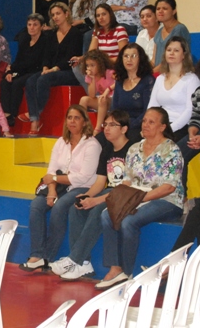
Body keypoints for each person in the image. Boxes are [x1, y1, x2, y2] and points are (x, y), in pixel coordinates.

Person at [97, 107, 184, 290]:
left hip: (167, 201)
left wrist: (139, 199)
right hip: (137, 197)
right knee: (107, 214)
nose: (145, 125)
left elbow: (169, 187)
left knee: (129, 221)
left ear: (162, 127)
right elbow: (127, 181)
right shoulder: (134, 148)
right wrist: (121, 198)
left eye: (151, 122)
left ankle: (128, 273)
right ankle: (115, 269)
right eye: (144, 121)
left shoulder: (172, 150)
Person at [53, 110, 134, 280]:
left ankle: (74, 258)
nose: (107, 129)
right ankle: (84, 264)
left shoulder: (132, 150)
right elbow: (100, 182)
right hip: (109, 191)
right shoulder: (107, 150)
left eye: (112, 125)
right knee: (77, 207)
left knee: (98, 210)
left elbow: (126, 186)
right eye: (105, 124)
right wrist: (86, 196)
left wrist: (96, 201)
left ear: (124, 129)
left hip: (125, 193)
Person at [19, 105, 101, 273]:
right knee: (36, 206)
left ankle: (47, 256)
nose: (72, 121)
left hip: (82, 187)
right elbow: (51, 170)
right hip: (58, 186)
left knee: (60, 207)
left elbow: (83, 177)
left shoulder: (92, 145)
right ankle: (36, 255)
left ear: (85, 122)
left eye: (77, 118)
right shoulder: (61, 142)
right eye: (69, 117)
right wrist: (51, 190)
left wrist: (55, 179)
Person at [21, 2, 82, 135]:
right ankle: (35, 120)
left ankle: (34, 115)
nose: (55, 17)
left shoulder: (75, 33)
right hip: (51, 70)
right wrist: (45, 68)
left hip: (69, 72)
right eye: (53, 15)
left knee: (44, 80)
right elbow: (47, 56)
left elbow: (70, 58)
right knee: (31, 80)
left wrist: (53, 69)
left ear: (66, 14)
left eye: (58, 13)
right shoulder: (52, 35)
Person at [148, 37, 200, 142]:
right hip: (160, 125)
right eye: (169, 50)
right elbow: (152, 107)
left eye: (176, 50)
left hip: (181, 126)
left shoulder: (191, 79)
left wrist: (169, 129)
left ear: (184, 55)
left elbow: (190, 111)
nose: (171, 53)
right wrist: (148, 125)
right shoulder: (160, 78)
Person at [0, 13, 48, 127]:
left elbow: (41, 61)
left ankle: (13, 114)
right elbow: (18, 60)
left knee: (17, 83)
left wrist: (16, 70)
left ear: (42, 26)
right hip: (22, 70)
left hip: (36, 71)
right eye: (29, 24)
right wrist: (9, 71)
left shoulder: (45, 41)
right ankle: (7, 114)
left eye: (35, 25)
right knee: (5, 81)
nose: (32, 27)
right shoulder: (25, 40)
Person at [72, 3, 128, 90]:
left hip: (115, 63)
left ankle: (104, 94)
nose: (101, 18)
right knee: (77, 67)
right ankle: (95, 93)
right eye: (98, 15)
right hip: (101, 64)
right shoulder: (97, 31)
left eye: (104, 14)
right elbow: (91, 53)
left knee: (95, 66)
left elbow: (124, 56)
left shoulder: (119, 30)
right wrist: (80, 59)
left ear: (110, 15)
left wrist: (103, 60)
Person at [111, 44, 154, 141]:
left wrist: (129, 125)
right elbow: (115, 109)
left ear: (140, 59)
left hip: (139, 127)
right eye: (126, 56)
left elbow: (148, 111)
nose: (129, 60)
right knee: (100, 139)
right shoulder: (119, 81)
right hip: (121, 126)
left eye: (133, 56)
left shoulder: (148, 81)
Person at [175, 60, 200, 194]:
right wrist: (192, 134)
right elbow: (196, 117)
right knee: (177, 153)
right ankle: (180, 196)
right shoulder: (199, 92)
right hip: (199, 133)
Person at [78, 50, 115, 135]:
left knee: (102, 99)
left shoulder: (109, 72)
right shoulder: (89, 76)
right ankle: (81, 126)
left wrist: (108, 89)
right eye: (87, 65)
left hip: (113, 99)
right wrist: (92, 78)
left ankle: (97, 129)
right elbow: (92, 95)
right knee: (84, 99)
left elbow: (120, 82)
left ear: (100, 64)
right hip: (102, 100)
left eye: (92, 65)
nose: (89, 68)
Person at [153, 0, 191, 71]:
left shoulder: (179, 29)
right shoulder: (159, 31)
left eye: (165, 8)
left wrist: (152, 73)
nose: (160, 11)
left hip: (176, 71)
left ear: (174, 11)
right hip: (159, 72)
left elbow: (173, 58)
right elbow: (153, 60)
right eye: (158, 9)